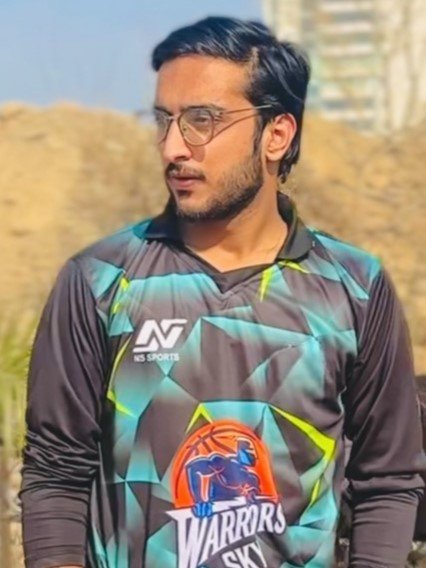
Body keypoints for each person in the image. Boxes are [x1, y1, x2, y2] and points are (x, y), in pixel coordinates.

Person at [20, 16, 425, 568]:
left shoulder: (355, 287)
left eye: (201, 121)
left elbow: (388, 479)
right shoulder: (99, 279)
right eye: (163, 120)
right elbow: (55, 472)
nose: (173, 147)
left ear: (277, 135)